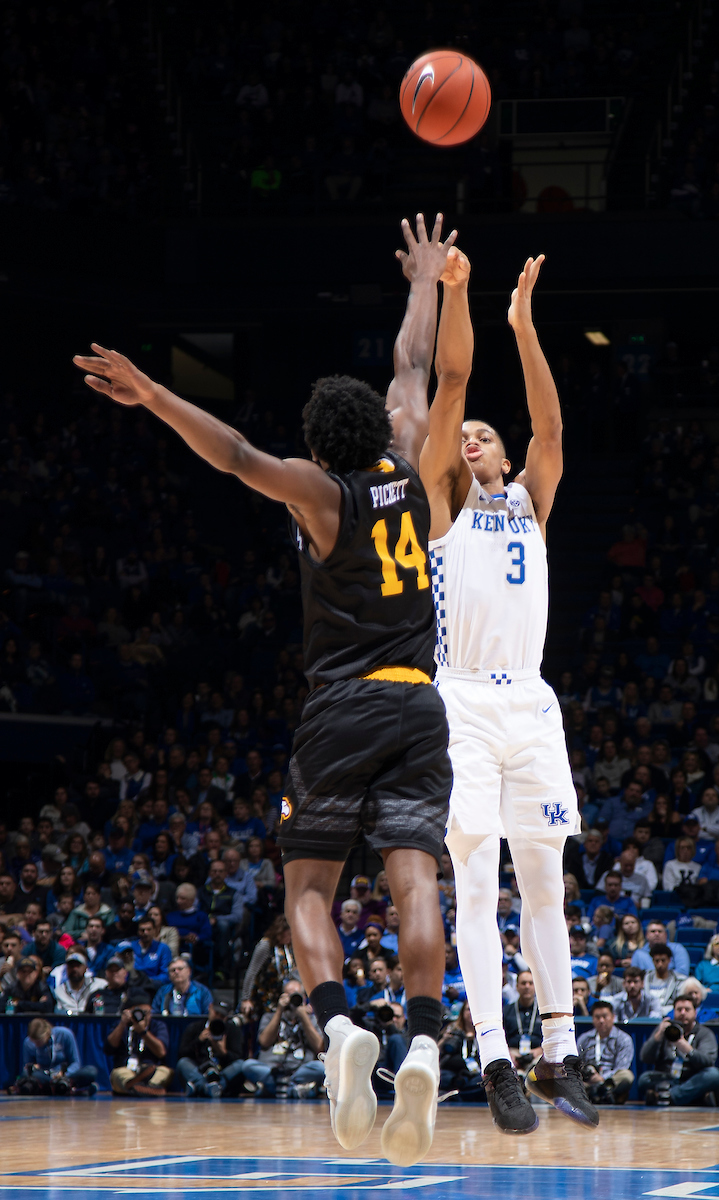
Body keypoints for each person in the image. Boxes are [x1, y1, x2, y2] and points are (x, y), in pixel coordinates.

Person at [75, 213, 456, 1165]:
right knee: (414, 879)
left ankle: (338, 1031)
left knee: (309, 889)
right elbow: (415, 366)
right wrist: (425, 281)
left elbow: (237, 453)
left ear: (319, 446)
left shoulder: (317, 492)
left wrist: (155, 391)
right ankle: (419, 1041)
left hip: (344, 704)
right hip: (422, 701)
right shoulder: (412, 463)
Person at [418, 245, 595, 1133]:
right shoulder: (443, 501)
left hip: (531, 703)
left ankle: (558, 1051)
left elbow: (552, 433)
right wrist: (462, 300)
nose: (475, 438)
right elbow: (450, 391)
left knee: (546, 883)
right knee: (477, 882)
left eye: (488, 433)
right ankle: (492, 1052)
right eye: (469, 434)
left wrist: (525, 329)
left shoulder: (529, 499)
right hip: (463, 704)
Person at [241, 979, 325, 1098]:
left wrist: (303, 1017)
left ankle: (274, 1089)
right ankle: (294, 1089)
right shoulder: (269, 1016)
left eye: (296, 995)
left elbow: (319, 1047)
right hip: (272, 1070)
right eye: (289, 995)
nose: (292, 999)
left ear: (304, 997)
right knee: (248, 1065)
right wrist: (279, 1010)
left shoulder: (312, 1019)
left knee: (320, 1068)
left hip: (299, 1070)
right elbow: (264, 1042)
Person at [639, 996, 719, 1106]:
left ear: (695, 1013)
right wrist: (658, 1036)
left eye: (687, 1010)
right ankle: (684, 1096)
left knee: (713, 1075)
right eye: (679, 1010)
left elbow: (708, 1061)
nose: (683, 1013)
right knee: (644, 1079)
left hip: (692, 1078)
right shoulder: (665, 1029)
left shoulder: (704, 1033)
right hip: (668, 1077)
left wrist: (687, 1049)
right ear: (673, 1012)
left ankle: (670, 1096)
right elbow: (645, 1057)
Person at [104, 990, 172, 1095]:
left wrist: (144, 1032)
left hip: (151, 1069)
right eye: (140, 1012)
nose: (144, 1016)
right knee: (118, 1074)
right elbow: (109, 1048)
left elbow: (161, 1052)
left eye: (147, 1013)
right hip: (126, 1069)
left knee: (164, 1072)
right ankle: (146, 1088)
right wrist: (123, 1024)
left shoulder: (158, 1026)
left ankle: (136, 1087)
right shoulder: (121, 1025)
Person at [176, 999, 245, 1097]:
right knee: (183, 1063)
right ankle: (210, 1088)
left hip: (222, 1072)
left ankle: (200, 1087)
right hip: (200, 1071)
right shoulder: (195, 1027)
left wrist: (223, 1052)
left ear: (226, 1017)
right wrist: (199, 1040)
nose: (218, 1017)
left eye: (222, 1016)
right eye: (216, 1013)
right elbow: (182, 1053)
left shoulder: (233, 1031)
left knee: (241, 1065)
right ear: (210, 1008)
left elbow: (238, 1057)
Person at [14, 1017, 98, 1095]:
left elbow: (75, 1062)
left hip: (64, 1075)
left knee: (91, 1071)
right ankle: (71, 1090)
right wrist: (32, 1067)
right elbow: (27, 1068)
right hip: (44, 1076)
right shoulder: (28, 1043)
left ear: (47, 1033)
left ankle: (61, 1087)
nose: (36, 1045)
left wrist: (64, 1073)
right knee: (28, 1076)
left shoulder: (65, 1034)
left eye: (39, 1042)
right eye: (34, 1042)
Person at [576, 1000, 635, 1105]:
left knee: (627, 1075)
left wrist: (601, 1078)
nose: (601, 1021)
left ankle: (601, 1091)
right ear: (592, 1019)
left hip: (610, 1080)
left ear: (613, 1017)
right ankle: (600, 1093)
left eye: (605, 1016)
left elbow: (622, 1067)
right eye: (597, 1017)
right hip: (588, 1081)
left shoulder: (623, 1039)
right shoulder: (584, 1038)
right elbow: (576, 1063)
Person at [502, 969, 542, 1071]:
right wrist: (509, 1054)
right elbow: (501, 1038)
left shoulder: (543, 1011)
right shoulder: (506, 1011)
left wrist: (539, 1051)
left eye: (530, 983)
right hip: (513, 1054)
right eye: (523, 983)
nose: (527, 986)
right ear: (517, 987)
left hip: (538, 1054)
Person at [52, 948, 107, 1013]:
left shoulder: (99, 985)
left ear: (85, 967)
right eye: (71, 966)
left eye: (78, 966)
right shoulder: (59, 991)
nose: (74, 969)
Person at [643, 944, 686, 1015]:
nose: (660, 964)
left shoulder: (678, 980)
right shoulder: (645, 978)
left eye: (663, 960)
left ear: (669, 960)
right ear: (653, 961)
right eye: (657, 961)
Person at [132, 916, 173, 986]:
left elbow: (166, 974)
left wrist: (149, 980)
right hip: (133, 984)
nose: (145, 933)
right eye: (142, 930)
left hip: (153, 985)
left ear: (155, 930)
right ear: (138, 931)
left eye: (149, 929)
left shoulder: (163, 948)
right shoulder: (130, 947)